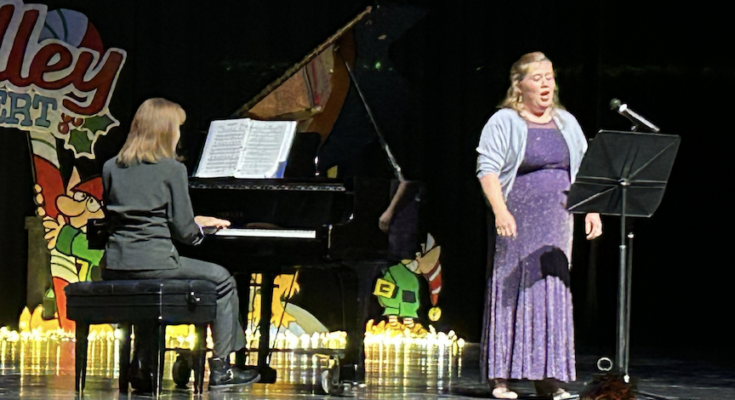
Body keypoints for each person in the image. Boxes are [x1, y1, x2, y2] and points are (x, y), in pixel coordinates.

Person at [101, 97, 260, 391]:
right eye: (177, 128)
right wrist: (201, 229)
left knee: (149, 292)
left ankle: (143, 366)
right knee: (223, 279)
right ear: (166, 130)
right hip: (155, 263)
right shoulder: (172, 169)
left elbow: (125, 214)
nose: (179, 134)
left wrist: (186, 220)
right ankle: (222, 368)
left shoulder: (111, 167)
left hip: (115, 264)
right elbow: (185, 233)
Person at [476, 52, 602, 399]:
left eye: (549, 77)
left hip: (558, 220)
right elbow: (487, 169)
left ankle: (548, 377)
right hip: (518, 218)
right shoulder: (504, 121)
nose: (546, 84)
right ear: (519, 86)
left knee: (552, 290)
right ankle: (500, 377)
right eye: (537, 78)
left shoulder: (566, 122)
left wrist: (592, 209)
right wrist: (500, 210)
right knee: (512, 286)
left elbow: (584, 170)